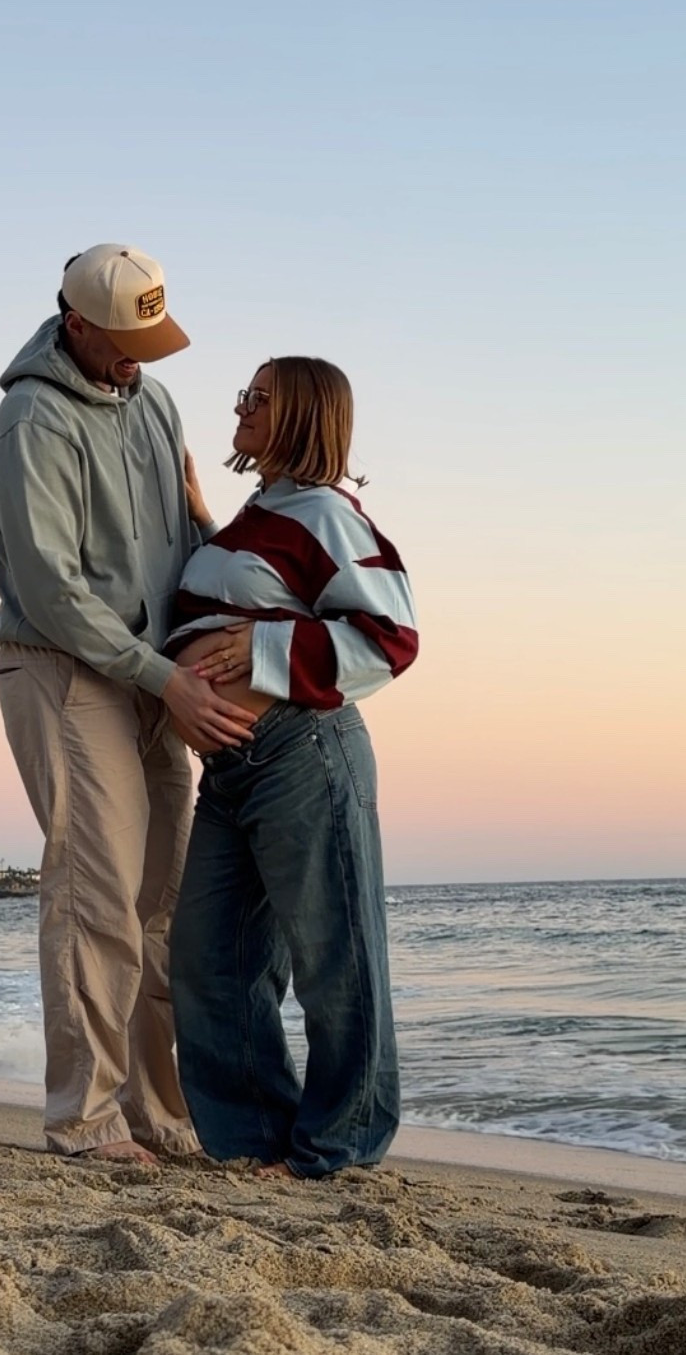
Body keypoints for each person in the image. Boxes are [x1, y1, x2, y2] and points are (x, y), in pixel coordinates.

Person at [0, 244, 257, 1163]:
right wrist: (162, 678)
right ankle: (86, 1120)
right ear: (76, 325)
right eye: (128, 339)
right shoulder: (31, 423)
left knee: (162, 903)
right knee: (95, 896)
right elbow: (51, 589)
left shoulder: (155, 402)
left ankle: (160, 1114)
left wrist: (212, 536)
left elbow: (181, 546)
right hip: (64, 672)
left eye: (154, 336)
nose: (144, 357)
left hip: (149, 676)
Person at [165, 356, 419, 1178]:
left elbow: (392, 637)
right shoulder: (260, 514)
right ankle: (252, 1143)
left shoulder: (326, 514)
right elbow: (248, 584)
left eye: (259, 398)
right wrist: (204, 516)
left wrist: (265, 648)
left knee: (335, 960)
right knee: (211, 963)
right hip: (232, 768)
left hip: (301, 752)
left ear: (305, 415)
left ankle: (340, 1149)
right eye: (244, 393)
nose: (239, 405)